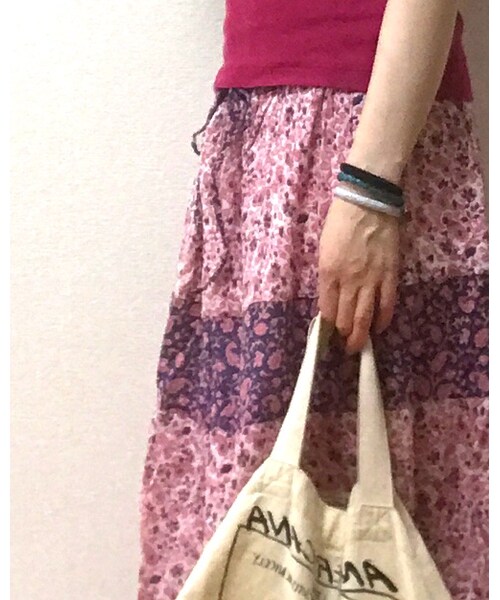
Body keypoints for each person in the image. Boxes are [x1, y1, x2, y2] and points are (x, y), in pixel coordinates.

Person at [138, 1, 488, 599]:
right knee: (251, 525)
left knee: (384, 519)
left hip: (348, 143)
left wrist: (370, 191)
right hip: (262, 144)